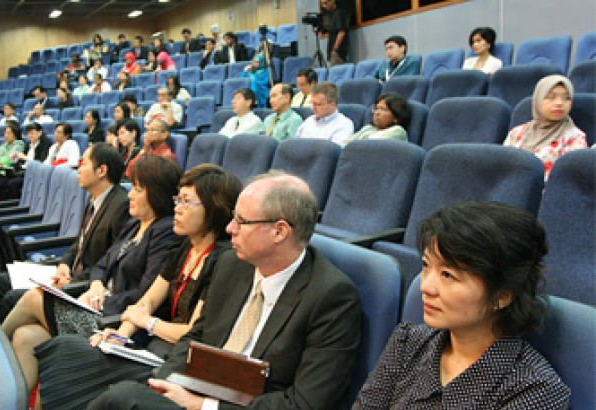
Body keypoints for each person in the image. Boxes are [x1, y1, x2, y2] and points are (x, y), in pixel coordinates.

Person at [88, 171, 361, 410]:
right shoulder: (232, 263)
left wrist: (204, 406)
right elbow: (198, 336)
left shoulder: (332, 297)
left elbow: (306, 403)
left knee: (120, 399)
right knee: (78, 361)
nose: (230, 229)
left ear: (279, 232)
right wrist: (162, 383)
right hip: (198, 386)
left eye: (242, 222)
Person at [33, 165, 242, 410]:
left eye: (187, 202)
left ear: (213, 208)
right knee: (57, 348)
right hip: (152, 344)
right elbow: (147, 301)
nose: (177, 208)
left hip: (173, 360)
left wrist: (148, 323)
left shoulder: (222, 260)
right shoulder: (185, 247)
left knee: (67, 351)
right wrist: (121, 336)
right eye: (177, 200)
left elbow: (192, 332)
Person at [352, 201, 571, 409]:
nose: (425, 286)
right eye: (426, 265)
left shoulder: (535, 390)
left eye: (448, 275)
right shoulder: (408, 342)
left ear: (502, 295)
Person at [1, 155, 182, 405]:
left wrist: (105, 299)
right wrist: (96, 285)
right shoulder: (134, 225)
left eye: (138, 189)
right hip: (96, 306)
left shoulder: (166, 231)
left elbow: (144, 292)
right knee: (26, 335)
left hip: (114, 321)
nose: (130, 194)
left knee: (36, 297)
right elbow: (101, 265)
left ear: (157, 194)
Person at [0, 143, 130, 321]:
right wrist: (64, 264)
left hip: (85, 286)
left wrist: (73, 282)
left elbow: (112, 263)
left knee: (11, 297)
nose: (78, 169)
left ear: (101, 171)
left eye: (84, 164)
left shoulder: (120, 206)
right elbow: (80, 242)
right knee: (1, 282)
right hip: (70, 274)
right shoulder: (94, 198)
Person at [503, 75, 588, 180]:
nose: (559, 103)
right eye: (551, 97)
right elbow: (503, 168)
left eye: (566, 98)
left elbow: (569, 181)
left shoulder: (575, 138)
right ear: (538, 100)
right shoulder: (516, 133)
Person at [344, 92, 410, 145]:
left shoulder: (398, 131)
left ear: (396, 118)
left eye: (383, 109)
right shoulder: (368, 128)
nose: (377, 113)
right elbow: (344, 144)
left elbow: (371, 146)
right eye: (376, 108)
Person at [320, 0, 349, 65]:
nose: (324, 6)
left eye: (326, 3)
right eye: (322, 4)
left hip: (338, 54)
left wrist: (335, 49)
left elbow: (341, 33)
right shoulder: (332, 15)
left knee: (337, 74)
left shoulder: (339, 13)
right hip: (334, 54)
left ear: (333, 1)